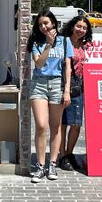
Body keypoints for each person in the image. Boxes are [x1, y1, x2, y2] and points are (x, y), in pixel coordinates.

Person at [26, 10, 72, 183]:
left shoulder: (65, 41)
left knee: (56, 126)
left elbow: (68, 67)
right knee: (41, 125)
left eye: (46, 23)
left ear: (53, 22)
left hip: (57, 84)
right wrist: (48, 45)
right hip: (39, 83)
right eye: (40, 24)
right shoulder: (37, 42)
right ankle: (39, 166)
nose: (43, 26)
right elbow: (38, 63)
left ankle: (52, 164)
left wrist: (67, 90)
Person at [57, 15, 92, 172]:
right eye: (79, 26)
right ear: (72, 26)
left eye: (84, 28)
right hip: (62, 87)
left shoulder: (87, 45)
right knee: (62, 124)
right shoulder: (63, 42)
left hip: (79, 88)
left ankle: (70, 153)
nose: (81, 30)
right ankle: (62, 155)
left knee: (76, 123)